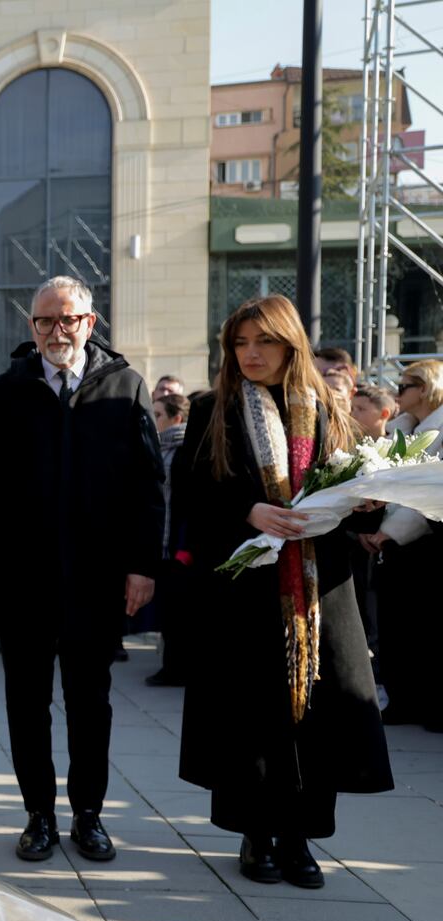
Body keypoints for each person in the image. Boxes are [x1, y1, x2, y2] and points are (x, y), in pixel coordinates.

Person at [175, 295, 392, 887]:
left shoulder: (330, 410)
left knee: (319, 715)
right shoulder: (212, 411)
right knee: (253, 717)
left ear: (290, 346)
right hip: (247, 592)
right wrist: (250, 511)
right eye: (240, 343)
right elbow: (193, 495)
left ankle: (301, 838)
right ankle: (256, 835)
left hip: (322, 592)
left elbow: (354, 501)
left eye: (263, 342)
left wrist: (367, 503)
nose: (250, 354)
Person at [0, 276, 164, 864]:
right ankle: (38, 814)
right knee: (25, 699)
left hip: (96, 579)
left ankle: (89, 816)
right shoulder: (3, 393)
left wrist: (142, 565)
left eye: (67, 319)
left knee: (89, 701)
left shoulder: (124, 387)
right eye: (44, 321)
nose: (56, 331)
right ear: (32, 328)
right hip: (20, 579)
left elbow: (149, 486)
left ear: (89, 323)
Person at [363, 359, 443, 728]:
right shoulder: (401, 430)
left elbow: (428, 493)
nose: (398, 390)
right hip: (390, 541)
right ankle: (403, 699)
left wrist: (390, 532)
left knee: (423, 629)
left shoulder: (438, 430)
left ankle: (427, 701)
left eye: (405, 384)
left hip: (423, 542)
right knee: (396, 627)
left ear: (425, 388)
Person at [145, 392, 191, 688]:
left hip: (179, 546)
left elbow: (188, 503)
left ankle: (176, 668)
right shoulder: (160, 448)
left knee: (179, 613)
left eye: (159, 414)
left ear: (177, 418)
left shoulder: (183, 449)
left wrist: (185, 547)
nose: (154, 420)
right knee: (170, 611)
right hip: (165, 542)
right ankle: (171, 665)